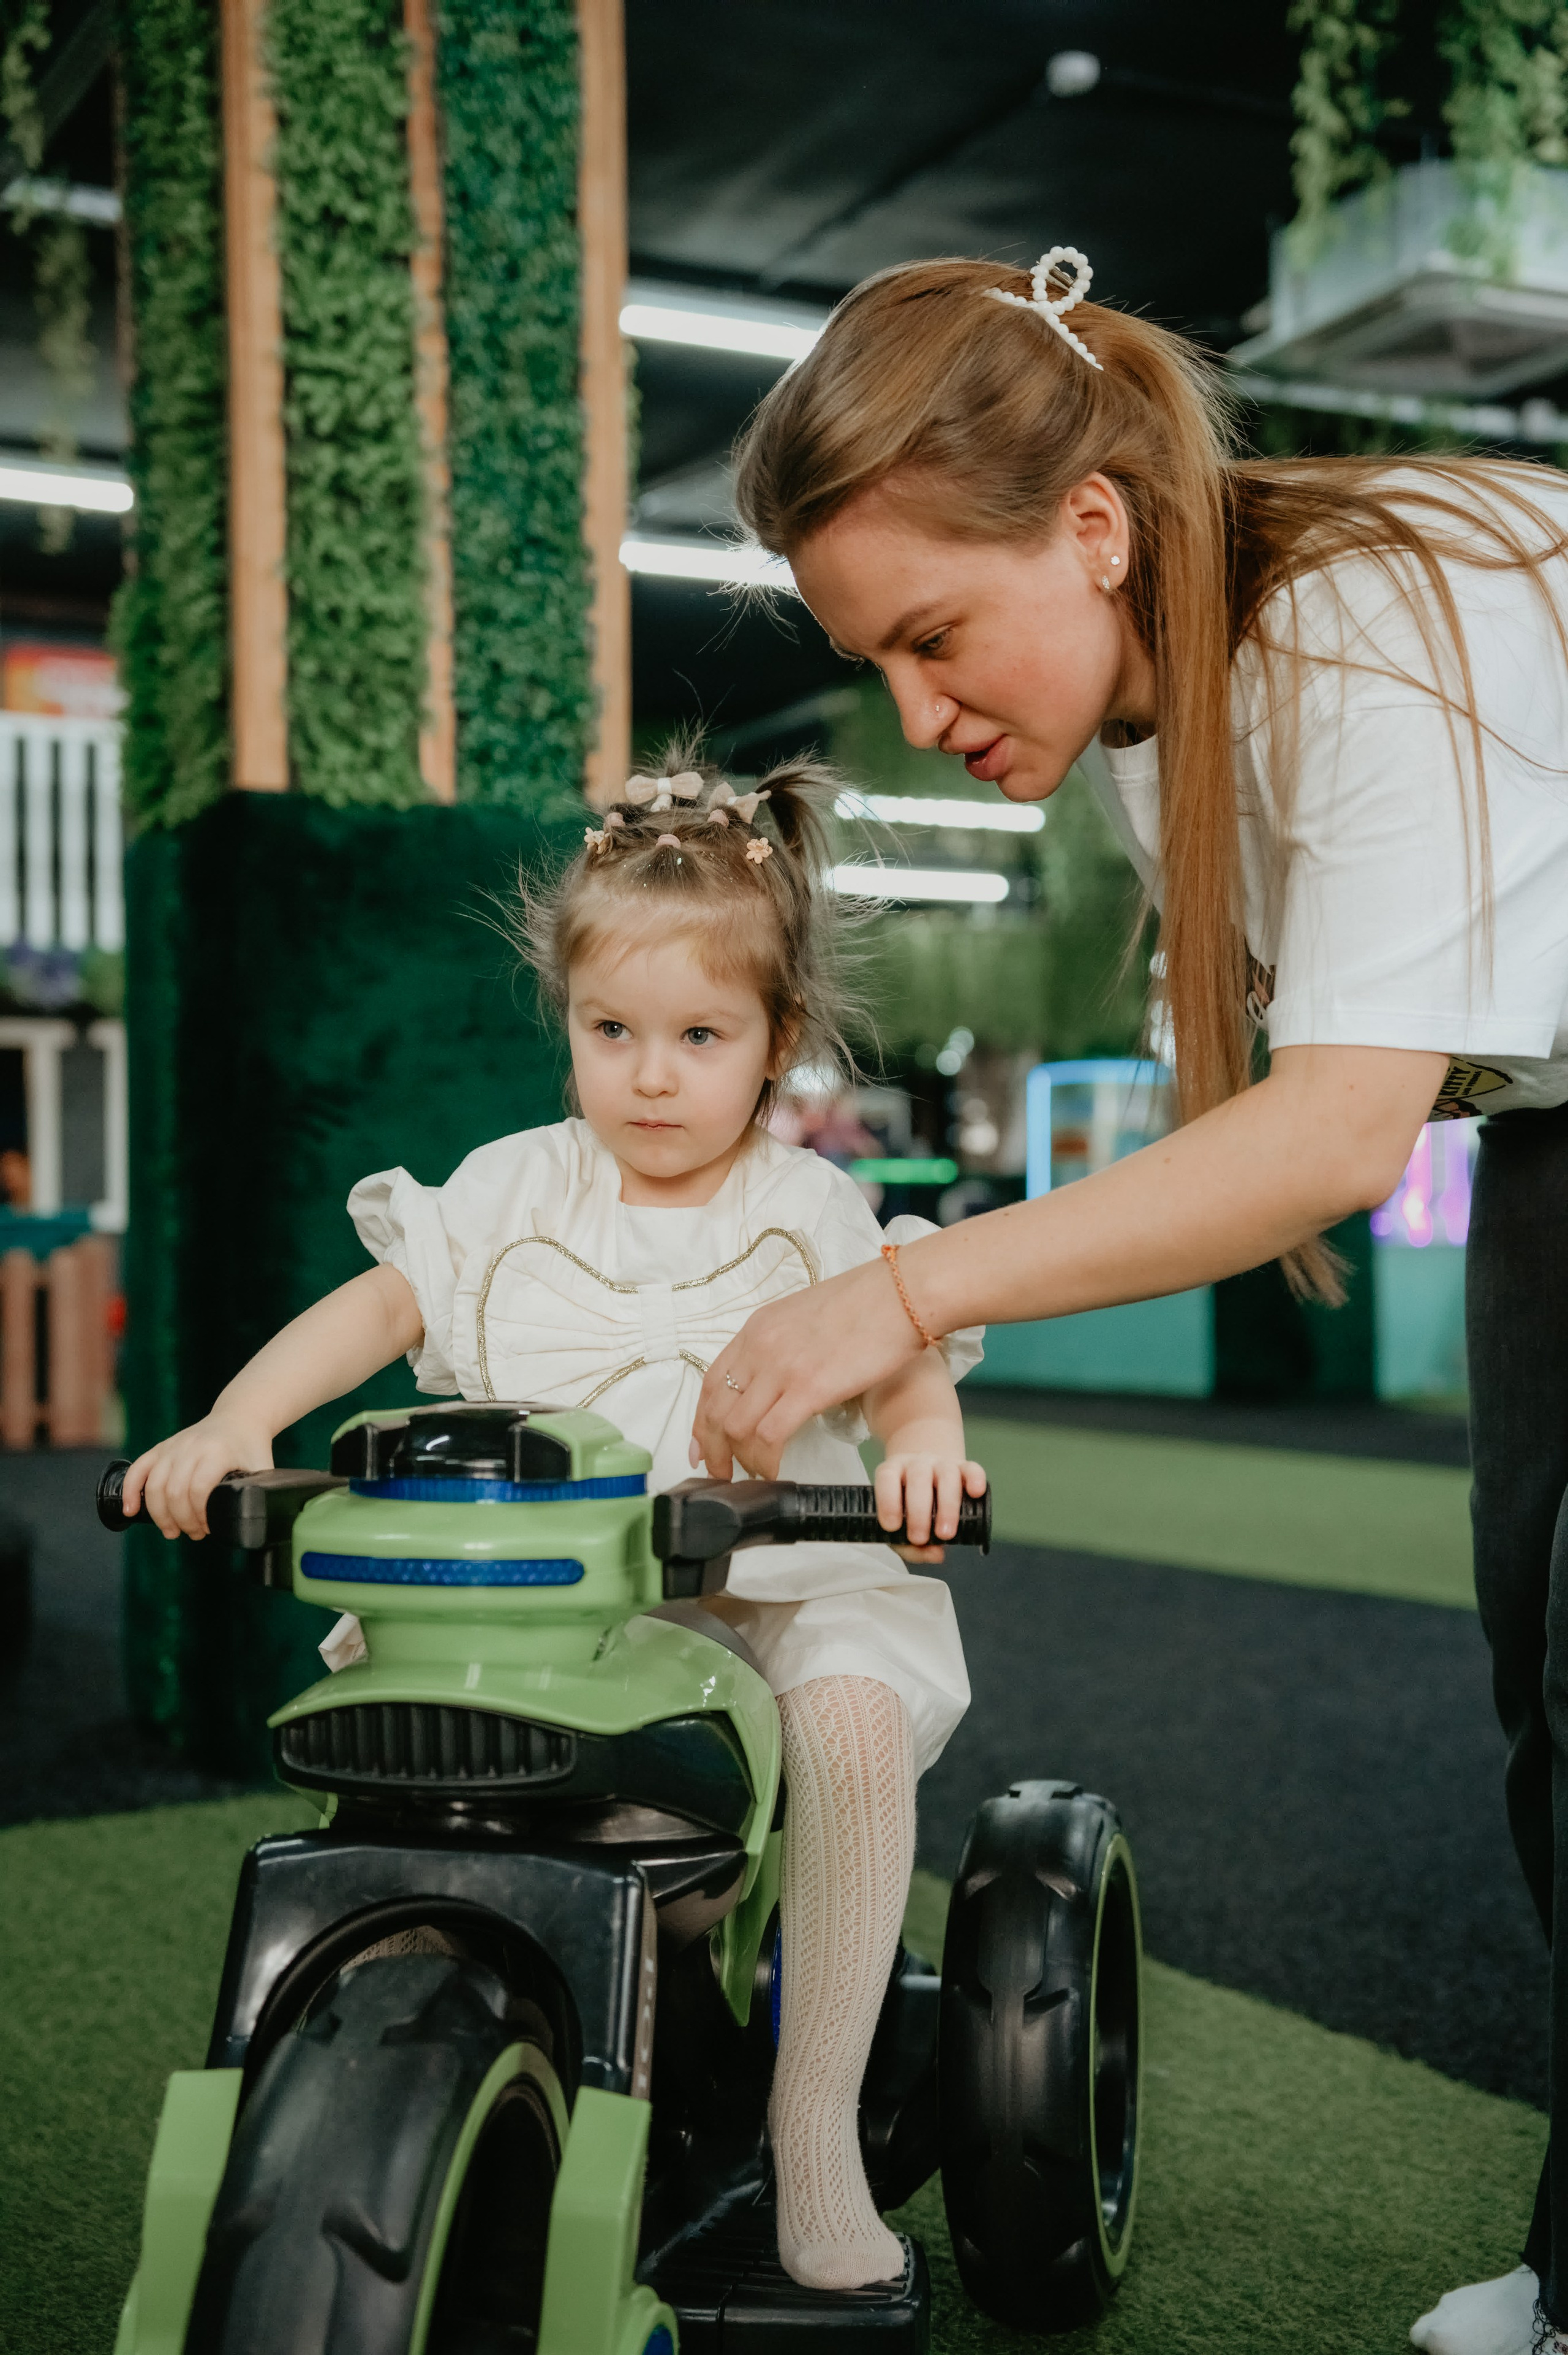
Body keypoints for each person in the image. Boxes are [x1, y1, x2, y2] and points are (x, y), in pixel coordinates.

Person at [689, 249, 1568, 2355]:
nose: (918, 713)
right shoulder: (1139, 729)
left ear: (1093, 526)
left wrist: (898, 1288)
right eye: (868, 664)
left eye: (931, 636)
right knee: (1543, 1673)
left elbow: (1337, 1135)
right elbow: (1356, 1082)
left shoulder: (1371, 615)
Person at [121, 754, 986, 2297]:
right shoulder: (515, 1189)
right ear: (569, 1024)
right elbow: (383, 1304)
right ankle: (365, 2045)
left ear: (776, 1043)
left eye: (699, 1037)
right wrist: (237, 1420)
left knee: (848, 1720)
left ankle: (812, 2129)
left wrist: (923, 1455)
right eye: (612, 1032)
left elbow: (904, 1362)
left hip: (762, 1585)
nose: (651, 1076)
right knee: (409, 1747)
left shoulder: (806, 1213)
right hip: (542, 1599)